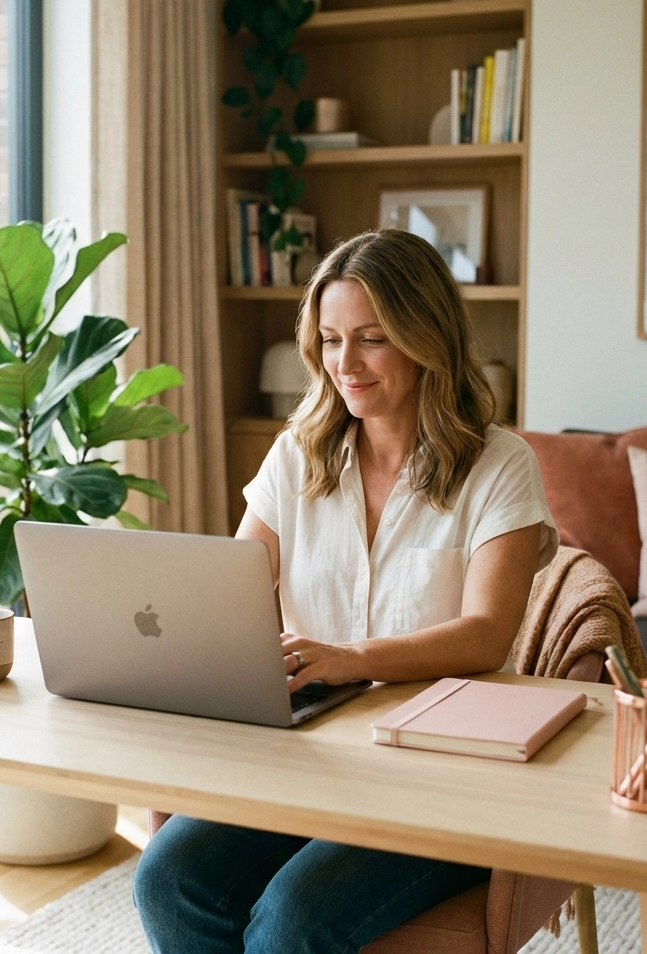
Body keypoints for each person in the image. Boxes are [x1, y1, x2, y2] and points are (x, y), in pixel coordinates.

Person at [133, 229, 559, 954]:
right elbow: (231, 590)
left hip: (442, 776)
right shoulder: (298, 451)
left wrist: (349, 656)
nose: (344, 364)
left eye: (370, 339)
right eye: (330, 339)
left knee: (292, 919)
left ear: (428, 338)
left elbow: (488, 631)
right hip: (306, 756)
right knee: (167, 879)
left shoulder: (499, 464)